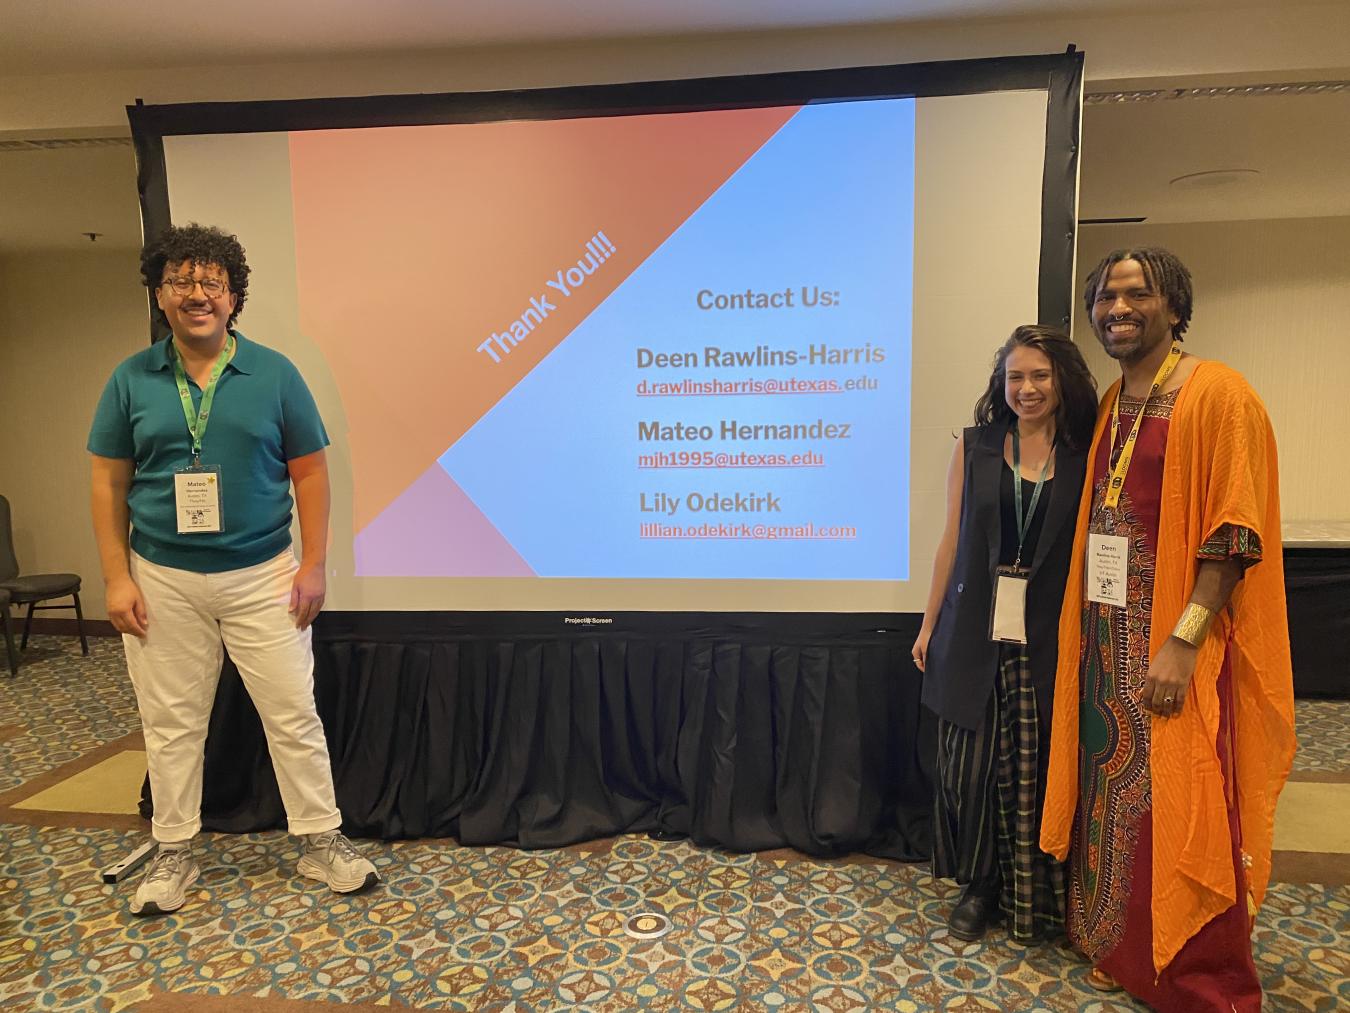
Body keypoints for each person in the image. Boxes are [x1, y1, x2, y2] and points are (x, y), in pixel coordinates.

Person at [89, 223, 379, 915]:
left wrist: (314, 563)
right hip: (161, 575)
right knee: (172, 721)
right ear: (160, 294)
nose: (197, 294)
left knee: (292, 713)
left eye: (211, 282)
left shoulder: (275, 374)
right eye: (181, 281)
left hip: (262, 574)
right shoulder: (131, 379)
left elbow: (310, 472)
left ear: (233, 296)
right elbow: (107, 483)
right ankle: (174, 852)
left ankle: (320, 839)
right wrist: (115, 577)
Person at [1039, 247, 1295, 1010]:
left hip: (1173, 649)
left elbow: (1234, 534)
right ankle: (1121, 951)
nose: (1117, 308)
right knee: (1116, 802)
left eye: (1136, 293)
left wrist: (1183, 641)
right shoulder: (1117, 401)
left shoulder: (1220, 393)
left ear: (1174, 306)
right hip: (1105, 650)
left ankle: (1198, 978)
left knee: (1186, 801)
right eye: (1106, 297)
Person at [914, 324, 1097, 943]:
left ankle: (1039, 892)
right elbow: (952, 539)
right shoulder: (977, 446)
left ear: (1062, 381)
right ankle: (982, 885)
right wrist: (929, 622)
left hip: (1049, 633)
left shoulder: (1086, 451)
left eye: (1040, 375)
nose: (1027, 388)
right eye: (1015, 377)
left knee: (1038, 765)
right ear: (1002, 384)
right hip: (976, 630)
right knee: (979, 768)